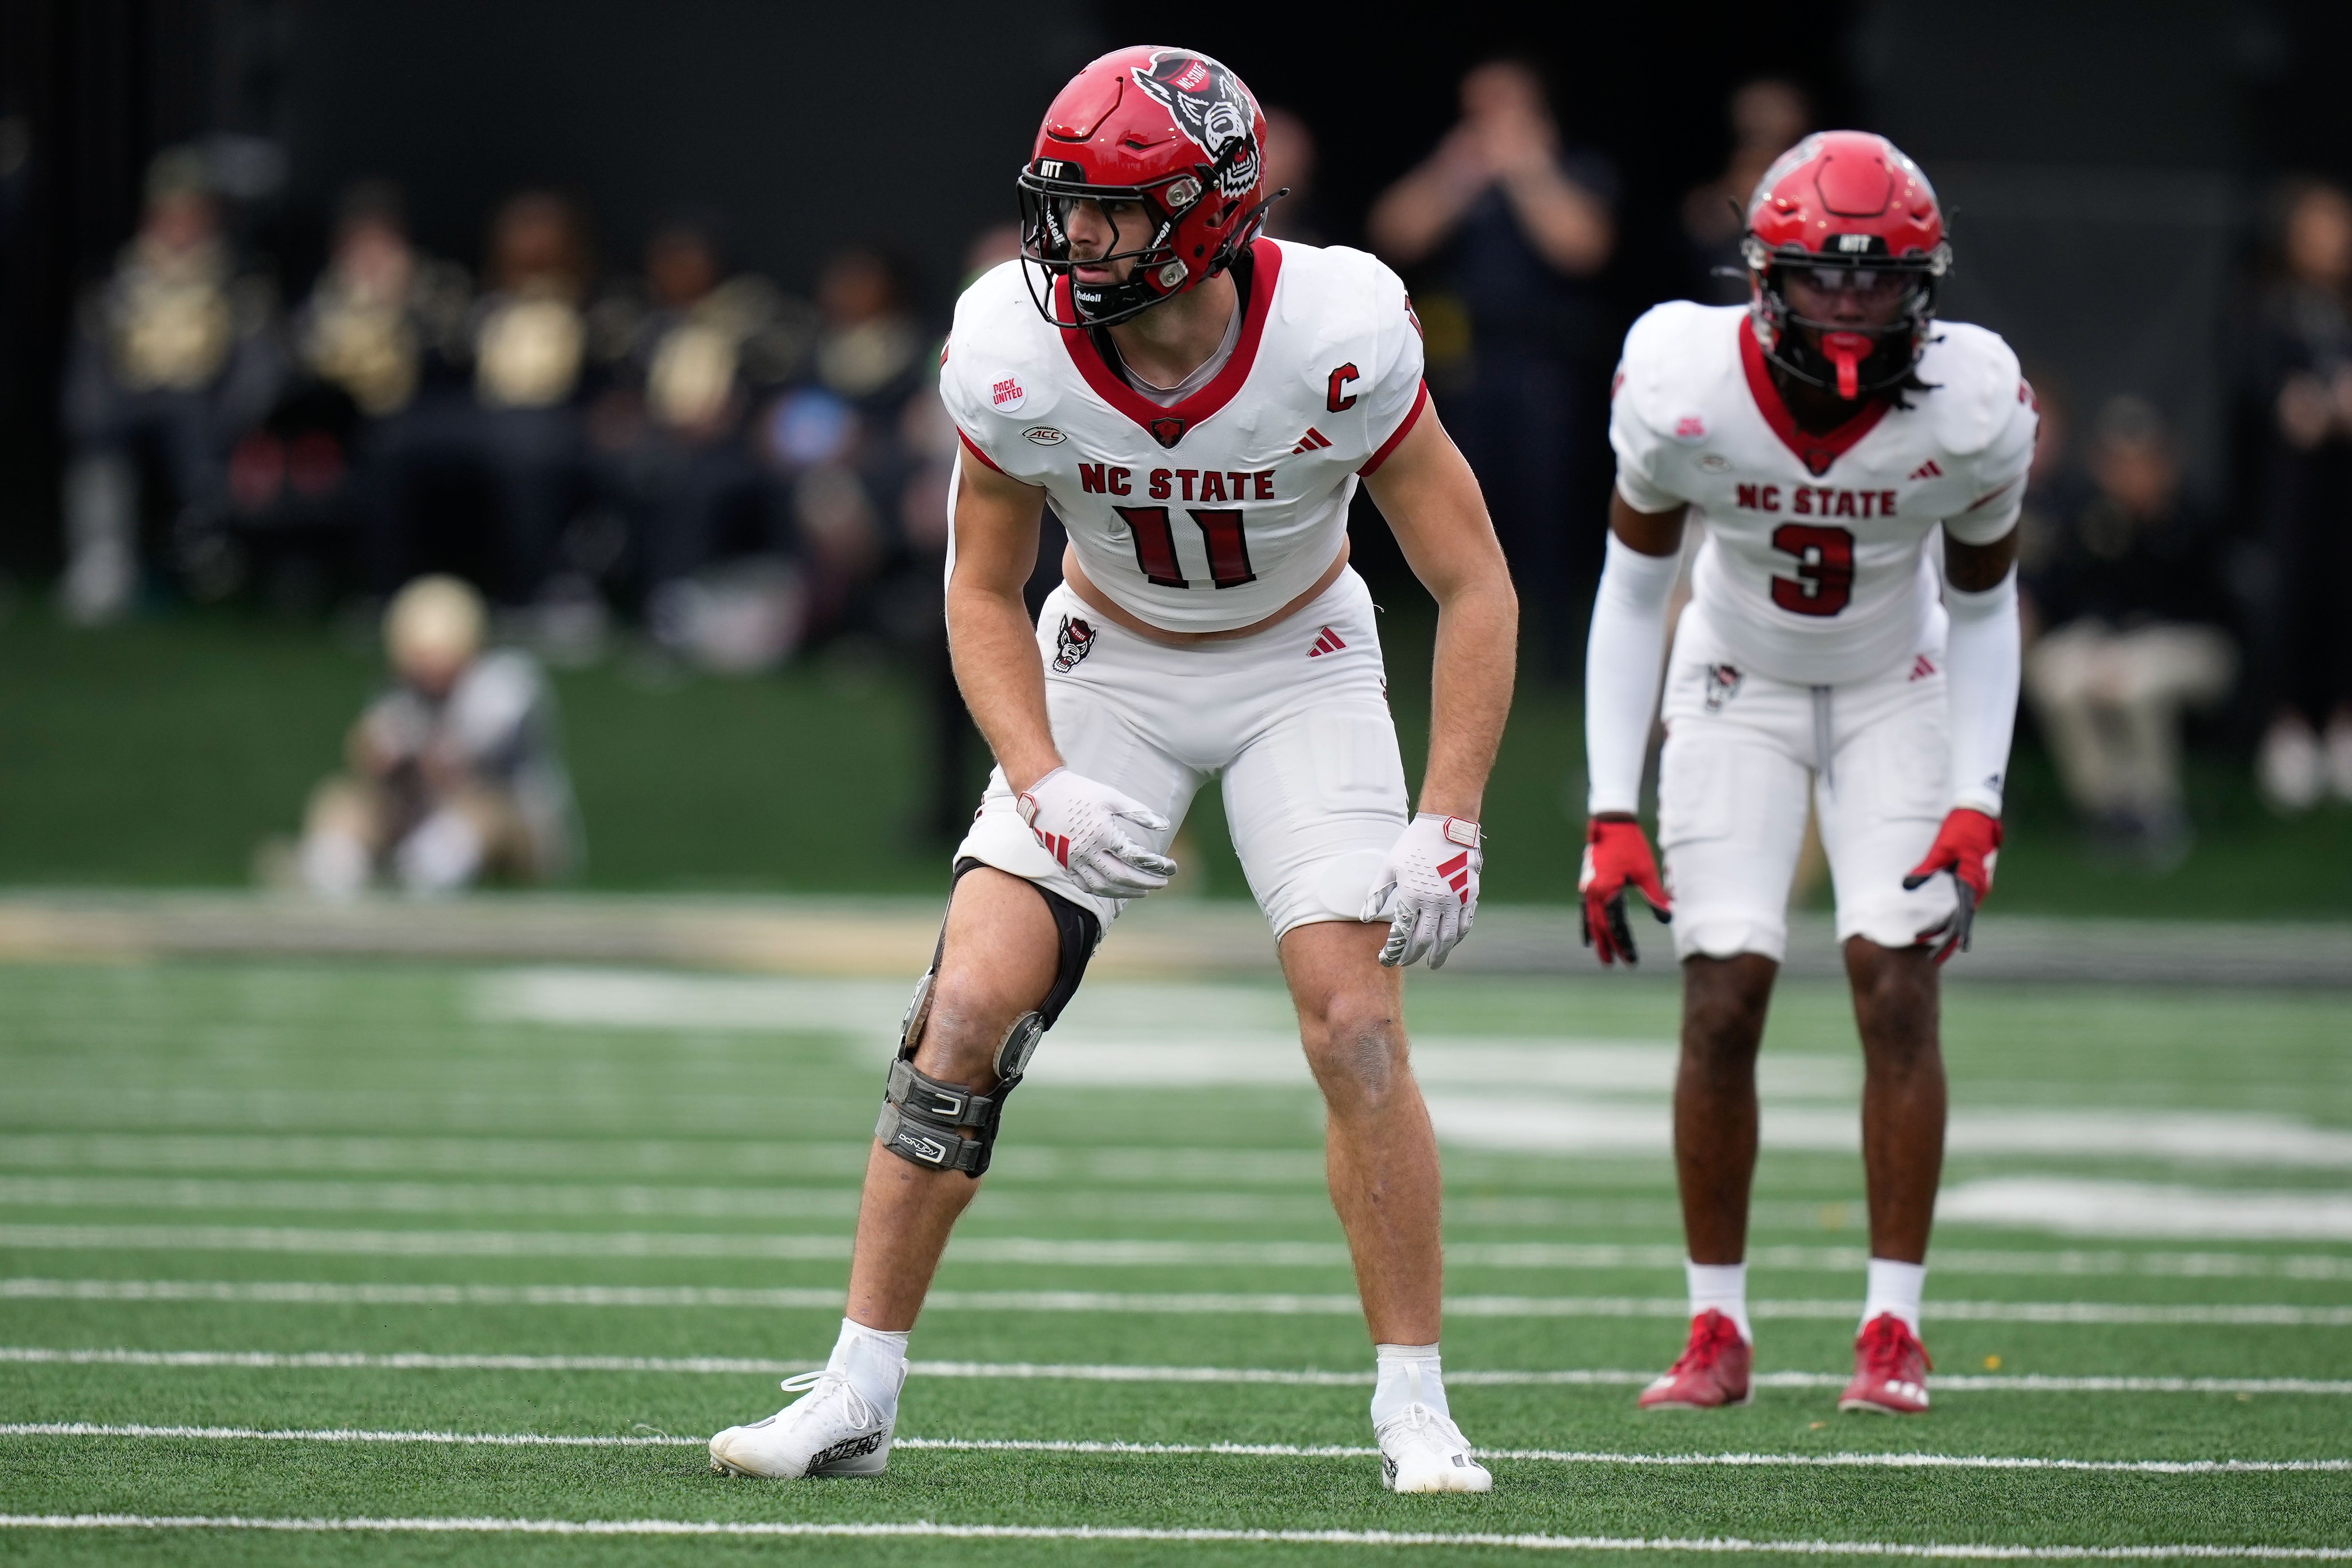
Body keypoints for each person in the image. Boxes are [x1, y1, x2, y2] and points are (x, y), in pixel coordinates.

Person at [707, 45, 1518, 1492]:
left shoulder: (1336, 324)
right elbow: (977, 591)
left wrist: (1448, 816)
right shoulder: (1010, 347)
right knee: (961, 1006)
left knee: (1353, 1026)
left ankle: (1414, 1403)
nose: (1069, 239)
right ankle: (854, 1388)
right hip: (1107, 665)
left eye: (1106, 213)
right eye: (1061, 206)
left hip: (1298, 662)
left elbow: (1472, 583)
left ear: (1206, 210)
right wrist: (1040, 775)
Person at [1576, 132, 2035, 1415]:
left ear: (1925, 283)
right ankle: (1715, 1321)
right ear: (1763, 276)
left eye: (1877, 279)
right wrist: (1612, 806)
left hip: (1899, 677)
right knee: (1721, 993)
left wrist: (1976, 796)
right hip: (1736, 679)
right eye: (1821, 279)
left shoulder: (1975, 401)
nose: (1847, 304)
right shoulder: (1682, 381)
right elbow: (1633, 590)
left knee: (1896, 986)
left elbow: (1988, 608)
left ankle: (1894, 1327)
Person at [1369, 57, 1616, 680]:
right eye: (1475, 110)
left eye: (1499, 108)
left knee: (1548, 512)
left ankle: (1554, 657)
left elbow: (1581, 247)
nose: (1485, 124)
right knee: (1464, 508)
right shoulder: (1460, 175)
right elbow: (1395, 232)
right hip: (1468, 367)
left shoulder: (1574, 171)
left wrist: (1528, 170)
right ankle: (1467, 640)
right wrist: (1456, 175)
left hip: (1545, 369)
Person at [59, 146, 284, 621]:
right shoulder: (115, 279)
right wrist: (89, 414)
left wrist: (235, 417)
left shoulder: (238, 278)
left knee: (192, 427)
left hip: (205, 408)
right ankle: (103, 562)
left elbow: (260, 366)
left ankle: (207, 547)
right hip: (127, 403)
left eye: (191, 215)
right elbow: (89, 362)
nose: (179, 226)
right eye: (168, 214)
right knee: (98, 439)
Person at [2021, 397, 2235, 861]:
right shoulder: (2087, 517)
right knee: (2057, 676)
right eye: (2119, 462)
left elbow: (2207, 608)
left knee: (2134, 683)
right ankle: (2107, 808)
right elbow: (2071, 594)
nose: (2130, 474)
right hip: (2107, 641)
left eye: (2141, 461)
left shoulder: (2190, 516)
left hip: (2190, 645)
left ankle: (2156, 808)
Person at [297, 573, 580, 897]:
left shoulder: (506, 684)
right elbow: (369, 755)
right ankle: (335, 876)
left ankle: (427, 875)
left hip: (521, 833)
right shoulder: (400, 695)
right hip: (426, 819)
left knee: (480, 812)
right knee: (342, 799)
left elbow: (459, 764)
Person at [2248, 178, 2352, 809]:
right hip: (2291, 498)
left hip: (2346, 494)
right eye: (2318, 228)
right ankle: (2287, 730)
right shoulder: (2264, 309)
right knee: (2290, 603)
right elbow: (2275, 403)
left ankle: (2342, 727)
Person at [1681, 79, 1812, 304]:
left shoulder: (1813, 180)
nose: (1764, 119)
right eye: (1757, 108)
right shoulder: (1710, 197)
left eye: (1773, 108)